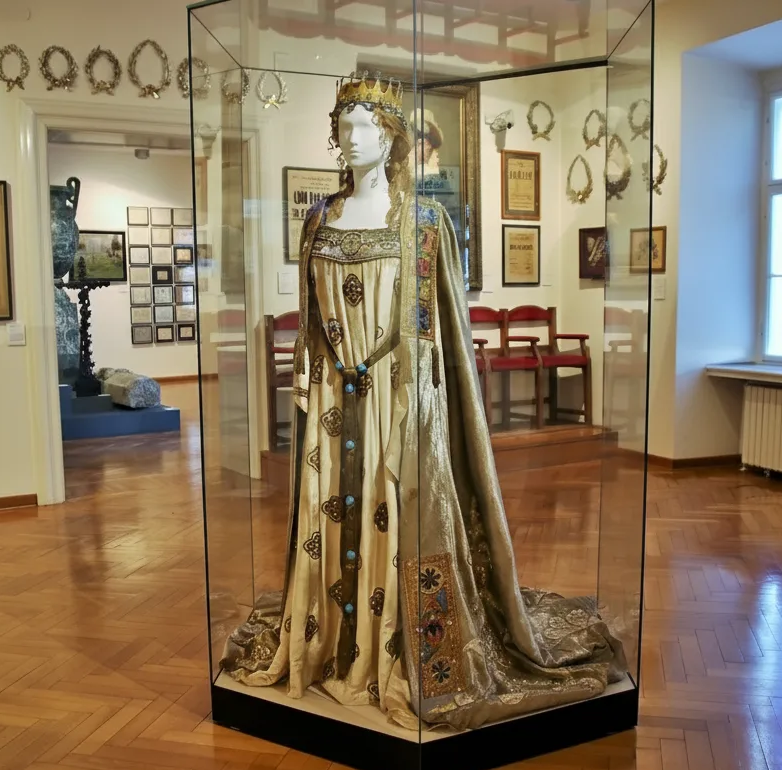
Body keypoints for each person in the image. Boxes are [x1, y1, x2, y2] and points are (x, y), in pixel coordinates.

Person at [221, 73, 624, 731]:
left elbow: (440, 334)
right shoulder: (318, 220)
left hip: (396, 398)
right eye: (342, 126)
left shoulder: (425, 222)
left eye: (363, 126)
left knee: (392, 515)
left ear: (389, 137)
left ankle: (397, 649)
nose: (350, 138)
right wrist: (316, 378)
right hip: (333, 396)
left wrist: (417, 403)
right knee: (332, 516)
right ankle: (329, 643)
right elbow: (313, 317)